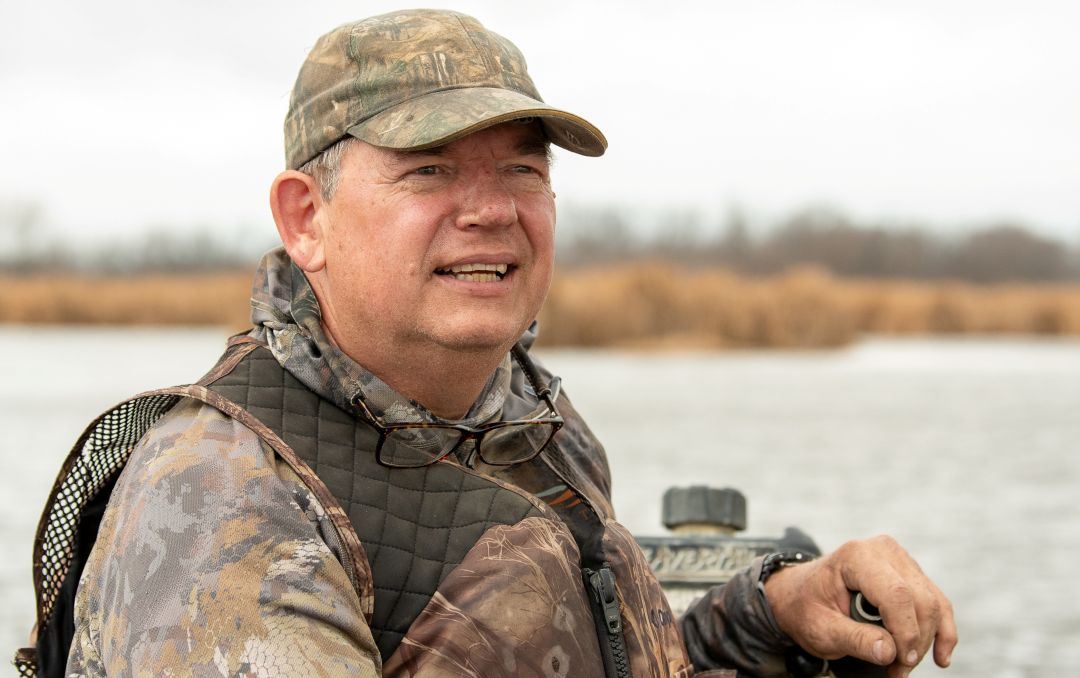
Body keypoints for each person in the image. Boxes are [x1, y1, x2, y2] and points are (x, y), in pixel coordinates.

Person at [20, 9, 956, 677]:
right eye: (429, 170)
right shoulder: (221, 505)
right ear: (309, 220)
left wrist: (772, 616)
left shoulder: (531, 422)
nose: (492, 211)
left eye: (522, 169)